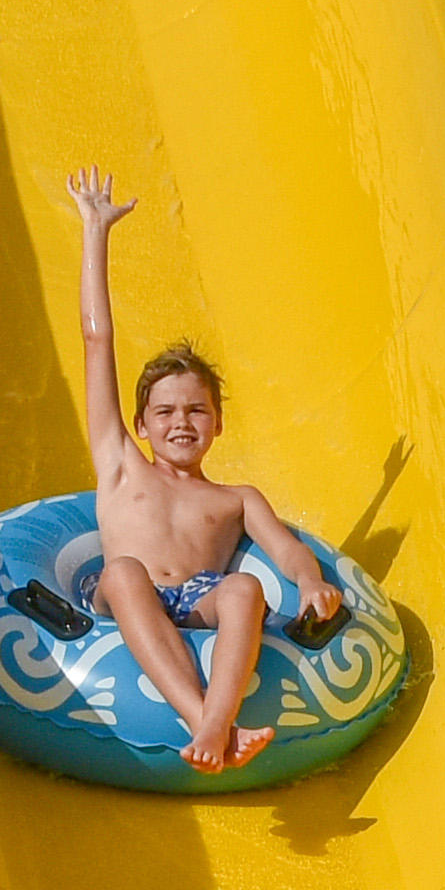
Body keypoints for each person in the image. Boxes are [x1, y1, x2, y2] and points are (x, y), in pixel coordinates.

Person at [64, 168, 349, 775]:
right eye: (165, 412)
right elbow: (96, 340)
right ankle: (210, 723)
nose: (181, 422)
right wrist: (96, 232)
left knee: (244, 589)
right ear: (140, 425)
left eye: (197, 410)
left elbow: (286, 550)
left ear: (218, 424)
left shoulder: (235, 498)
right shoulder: (121, 464)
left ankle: (216, 724)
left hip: (198, 598)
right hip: (128, 595)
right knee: (124, 572)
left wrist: (309, 583)